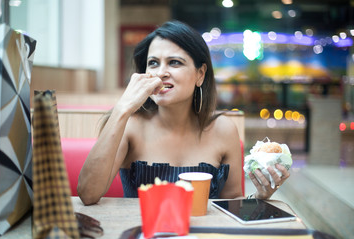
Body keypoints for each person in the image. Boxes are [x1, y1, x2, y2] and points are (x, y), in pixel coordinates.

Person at [77, 20, 290, 205]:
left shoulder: (224, 130)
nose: (160, 73)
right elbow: (87, 194)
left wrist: (261, 197)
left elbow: (232, 202)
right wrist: (122, 109)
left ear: (200, 74)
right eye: (153, 63)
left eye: (174, 63)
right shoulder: (130, 125)